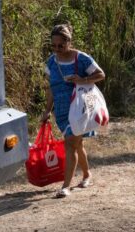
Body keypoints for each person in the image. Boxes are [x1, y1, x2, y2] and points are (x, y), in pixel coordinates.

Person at [40, 24, 106, 198]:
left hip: (79, 109)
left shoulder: (81, 58)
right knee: (77, 144)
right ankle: (86, 174)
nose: (56, 49)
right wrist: (47, 110)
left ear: (69, 42)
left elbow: (101, 74)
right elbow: (51, 89)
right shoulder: (51, 62)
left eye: (60, 46)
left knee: (69, 143)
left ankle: (66, 186)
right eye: (53, 46)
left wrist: (82, 79)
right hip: (61, 111)